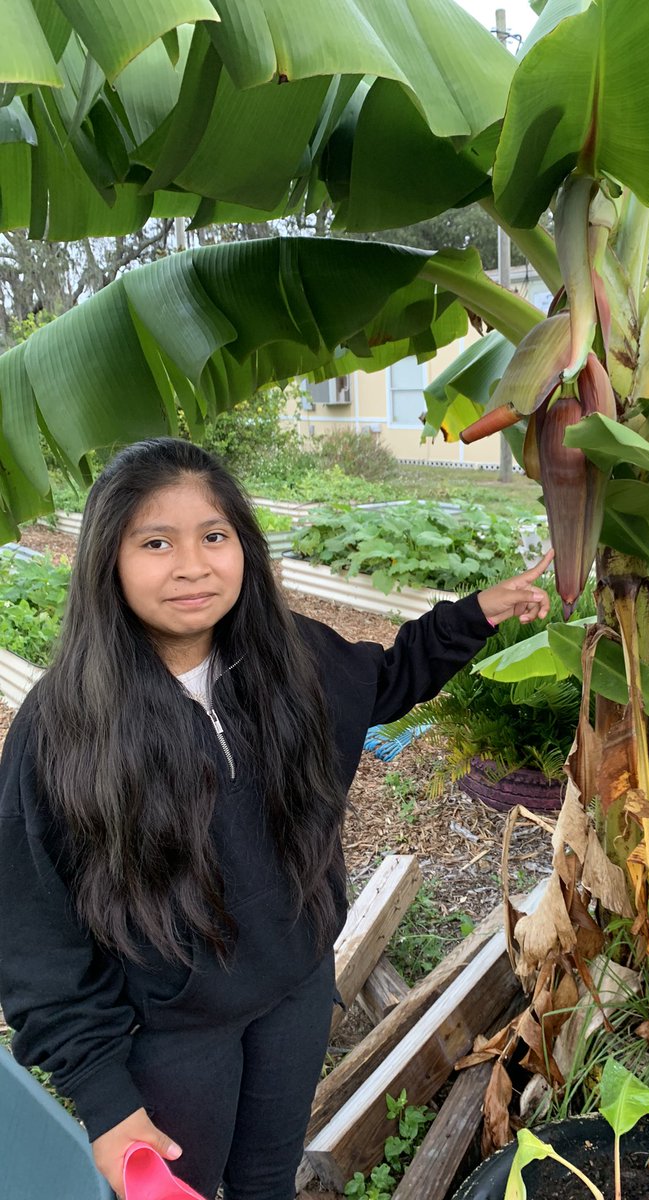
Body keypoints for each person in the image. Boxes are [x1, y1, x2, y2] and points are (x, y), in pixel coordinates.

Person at [0, 437, 553, 1200]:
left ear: (244, 550)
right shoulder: (62, 726)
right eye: (156, 542)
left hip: (294, 989)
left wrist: (476, 615)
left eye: (214, 537)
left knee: (266, 1180)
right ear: (108, 561)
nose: (192, 565)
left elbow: (385, 680)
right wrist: (104, 1100)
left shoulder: (287, 658)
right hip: (172, 1030)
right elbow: (35, 936)